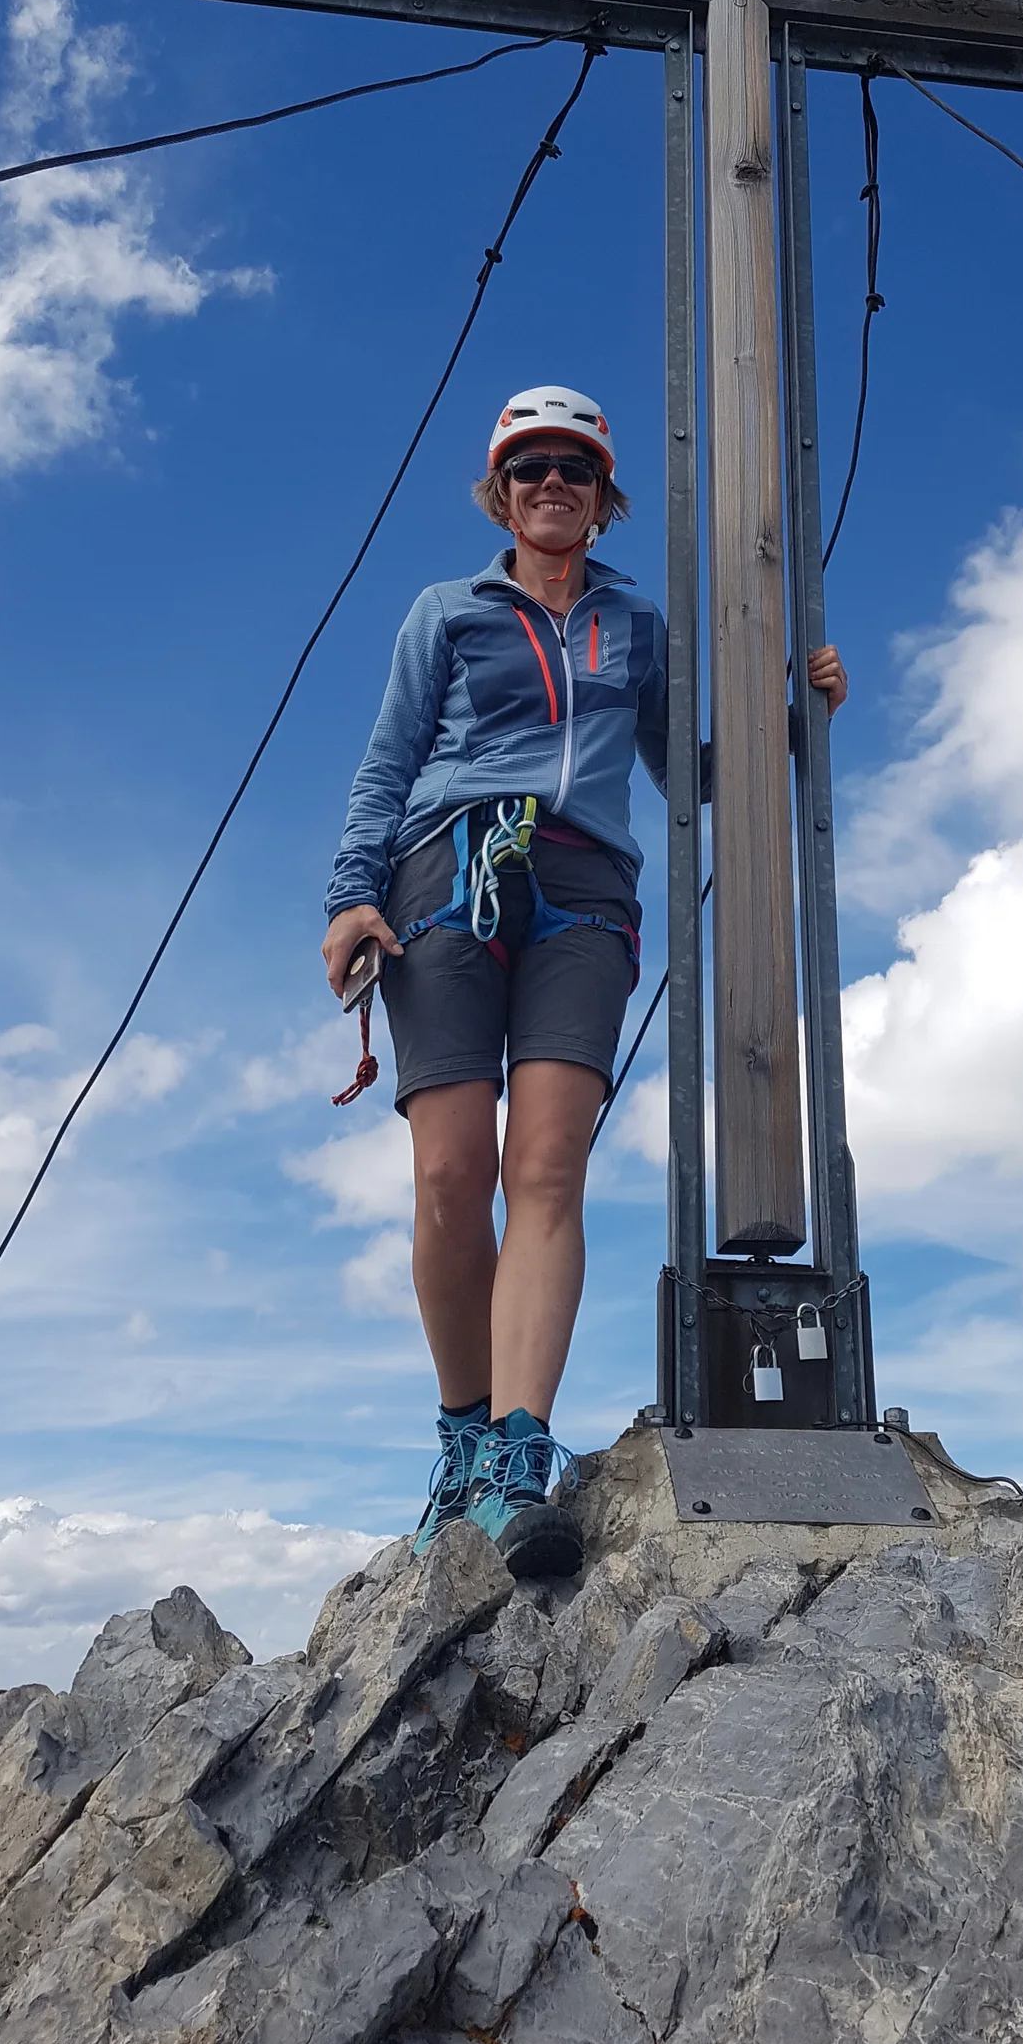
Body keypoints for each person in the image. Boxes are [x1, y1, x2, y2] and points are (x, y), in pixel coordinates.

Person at [323, 384, 848, 1579]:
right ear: (499, 494)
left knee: (544, 1170)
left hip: (588, 895)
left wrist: (789, 714)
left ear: (603, 499)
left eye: (572, 470)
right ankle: (462, 1437)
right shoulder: (446, 613)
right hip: (446, 880)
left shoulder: (638, 625)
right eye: (527, 469)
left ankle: (518, 1457)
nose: (549, 485)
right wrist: (350, 895)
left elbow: (695, 779)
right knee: (453, 1175)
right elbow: (387, 761)